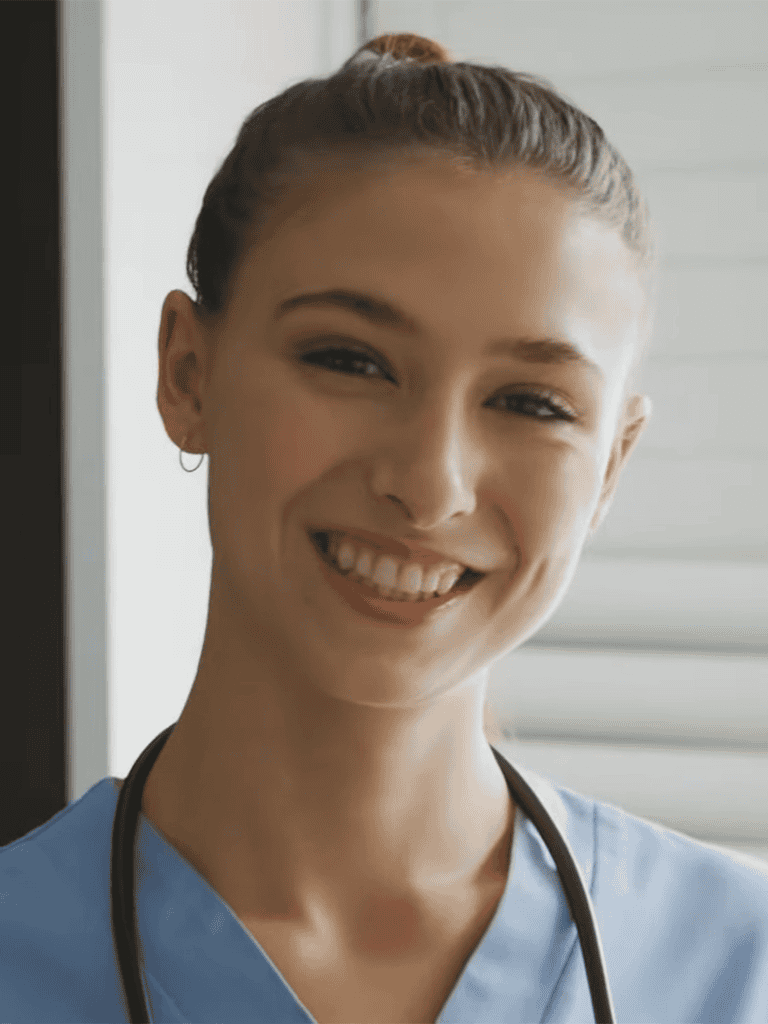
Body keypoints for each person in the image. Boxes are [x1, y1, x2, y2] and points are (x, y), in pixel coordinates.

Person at [2, 30, 767, 1024]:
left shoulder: (741, 970)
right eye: (349, 360)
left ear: (612, 463)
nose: (430, 483)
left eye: (533, 403)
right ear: (187, 373)